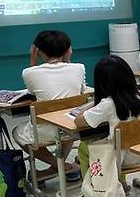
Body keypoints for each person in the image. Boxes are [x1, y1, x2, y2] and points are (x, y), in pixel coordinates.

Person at [74, 56, 140, 197]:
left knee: (84, 147)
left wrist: (93, 102)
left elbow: (78, 121)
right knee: (117, 142)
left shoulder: (108, 104)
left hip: (122, 161)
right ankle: (122, 186)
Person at [12, 30, 86, 181]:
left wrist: (33, 60)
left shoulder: (29, 73)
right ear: (67, 50)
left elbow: (32, 92)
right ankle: (62, 166)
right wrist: (68, 59)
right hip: (73, 128)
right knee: (66, 121)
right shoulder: (79, 68)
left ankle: (59, 166)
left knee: (17, 132)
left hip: (45, 132)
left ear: (39, 51)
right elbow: (81, 89)